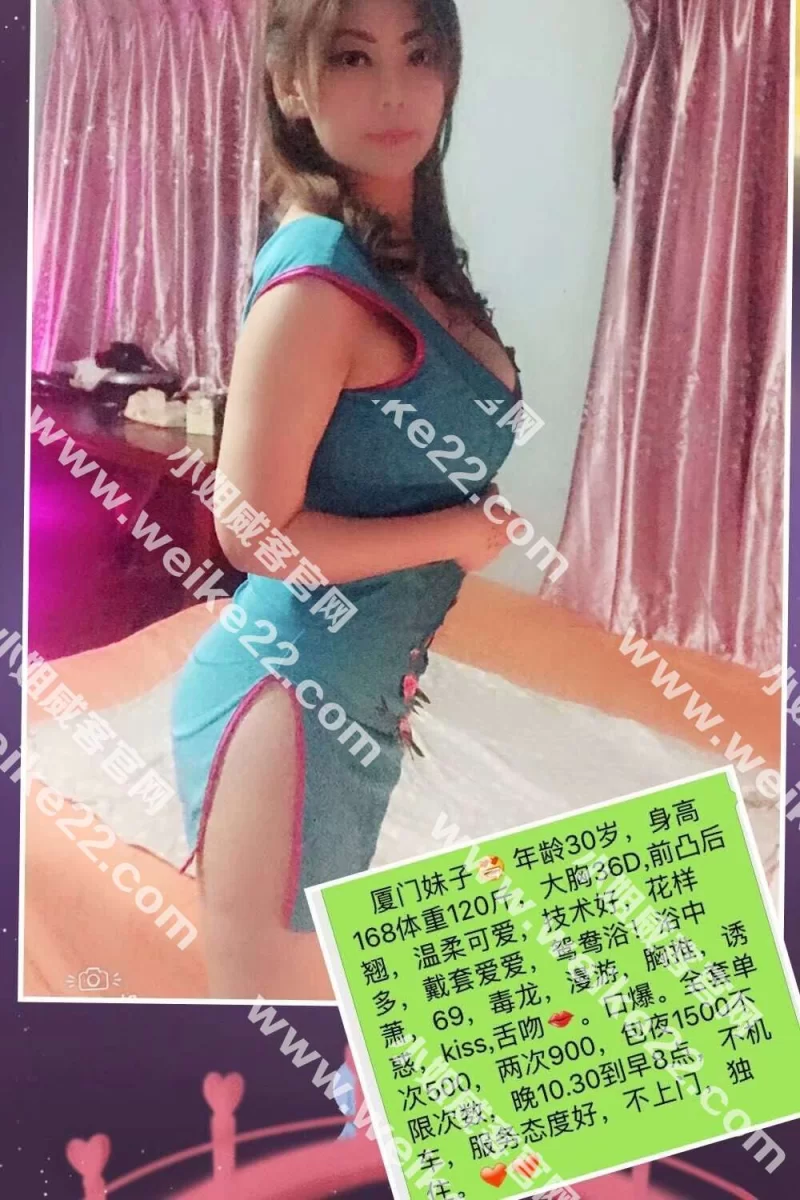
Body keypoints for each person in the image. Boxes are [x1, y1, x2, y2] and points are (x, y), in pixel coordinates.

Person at [171, 0, 524, 1000]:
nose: (394, 93)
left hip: (355, 693)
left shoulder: (408, 261)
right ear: (291, 85)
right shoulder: (318, 281)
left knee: (325, 1030)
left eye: (420, 54)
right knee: (279, 1046)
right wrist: (458, 531)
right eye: (353, 59)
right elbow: (249, 532)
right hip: (289, 703)